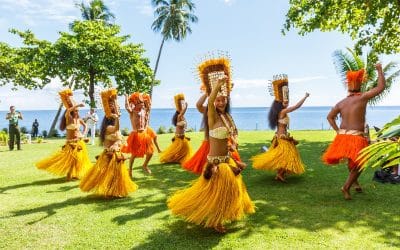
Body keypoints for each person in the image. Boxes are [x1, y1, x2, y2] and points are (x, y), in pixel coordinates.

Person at [168, 56, 254, 233]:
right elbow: (210, 100)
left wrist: (234, 143)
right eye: (218, 100)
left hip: (228, 161)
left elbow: (234, 134)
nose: (221, 102)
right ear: (213, 102)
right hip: (216, 164)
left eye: (224, 100)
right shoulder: (212, 116)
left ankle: (223, 215)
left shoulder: (227, 117)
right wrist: (214, 89)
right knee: (216, 193)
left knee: (231, 191)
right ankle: (216, 220)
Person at [322, 63, 386, 200]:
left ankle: (355, 182)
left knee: (352, 162)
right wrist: (379, 70)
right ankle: (346, 187)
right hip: (356, 137)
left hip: (343, 136)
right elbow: (381, 87)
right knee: (360, 164)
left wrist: (338, 131)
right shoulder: (362, 97)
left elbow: (329, 117)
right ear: (359, 85)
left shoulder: (341, 103)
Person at [80, 89, 138, 197]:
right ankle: (112, 192)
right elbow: (116, 128)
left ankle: (115, 191)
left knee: (116, 175)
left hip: (116, 154)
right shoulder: (108, 127)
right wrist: (117, 119)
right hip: (110, 155)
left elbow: (119, 138)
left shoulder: (114, 128)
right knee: (110, 175)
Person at [251, 74, 309, 182]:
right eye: (285, 102)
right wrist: (305, 97)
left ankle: (279, 174)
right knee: (288, 157)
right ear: (280, 103)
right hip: (282, 138)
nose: (287, 103)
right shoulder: (282, 111)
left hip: (282, 136)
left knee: (284, 157)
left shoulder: (281, 112)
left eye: (287, 101)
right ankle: (280, 174)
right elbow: (296, 106)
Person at [36, 89, 91, 181]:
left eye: (78, 110)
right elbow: (68, 110)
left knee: (78, 160)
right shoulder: (68, 117)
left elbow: (85, 126)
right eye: (76, 110)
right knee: (71, 160)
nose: (77, 112)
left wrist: (83, 135)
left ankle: (75, 174)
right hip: (70, 143)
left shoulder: (78, 119)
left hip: (79, 143)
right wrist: (77, 105)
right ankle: (69, 174)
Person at [122, 92, 161, 178]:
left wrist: (147, 98)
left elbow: (148, 107)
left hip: (144, 134)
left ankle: (145, 165)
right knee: (134, 154)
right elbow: (127, 107)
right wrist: (126, 97)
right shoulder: (132, 112)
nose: (143, 104)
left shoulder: (144, 111)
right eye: (141, 103)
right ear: (136, 104)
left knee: (150, 152)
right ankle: (130, 169)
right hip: (136, 134)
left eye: (143, 103)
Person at [159, 94, 192, 164]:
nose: (182, 106)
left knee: (183, 151)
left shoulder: (182, 117)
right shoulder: (179, 116)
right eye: (181, 104)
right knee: (175, 151)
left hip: (182, 137)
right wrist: (186, 108)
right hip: (179, 137)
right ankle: (173, 159)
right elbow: (182, 113)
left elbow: (182, 129)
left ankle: (179, 159)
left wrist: (186, 137)